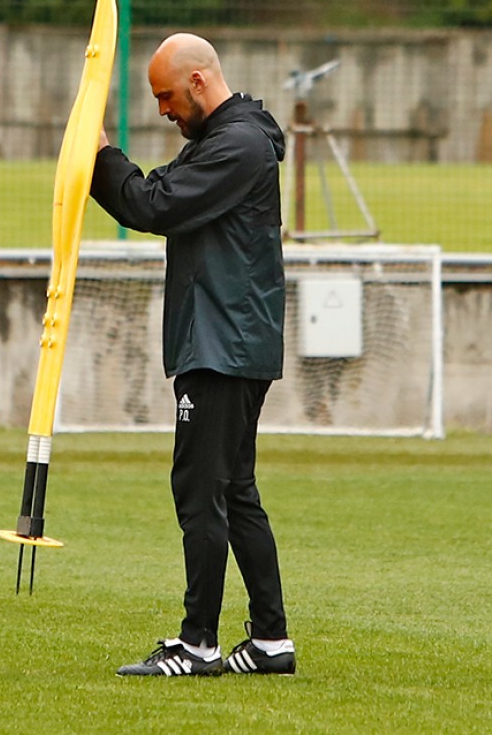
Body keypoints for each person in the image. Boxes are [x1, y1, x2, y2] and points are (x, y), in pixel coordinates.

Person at [90, 33, 295, 678]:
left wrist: (97, 155)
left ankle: (198, 643)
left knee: (200, 491)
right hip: (230, 342)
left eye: (167, 96)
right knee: (235, 492)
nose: (162, 110)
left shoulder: (234, 146)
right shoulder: (222, 141)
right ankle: (269, 643)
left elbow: (151, 204)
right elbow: (155, 192)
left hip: (221, 346)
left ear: (200, 83)